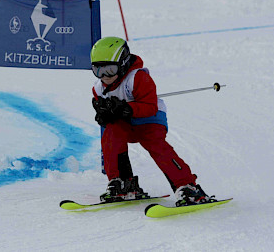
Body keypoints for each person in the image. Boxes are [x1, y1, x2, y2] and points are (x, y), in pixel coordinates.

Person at [90, 37, 211, 206]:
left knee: (155, 145)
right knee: (110, 134)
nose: (104, 76)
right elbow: (105, 115)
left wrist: (127, 108)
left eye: (109, 69)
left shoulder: (138, 78)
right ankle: (122, 183)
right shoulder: (98, 88)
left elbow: (150, 107)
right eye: (97, 70)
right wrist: (104, 115)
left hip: (150, 120)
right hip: (126, 124)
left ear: (123, 63)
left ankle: (187, 187)